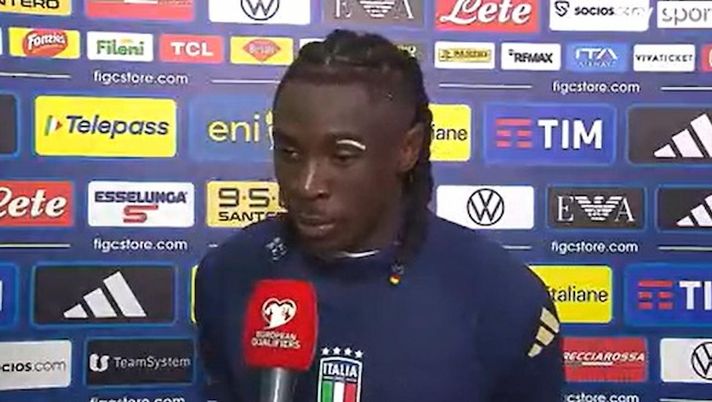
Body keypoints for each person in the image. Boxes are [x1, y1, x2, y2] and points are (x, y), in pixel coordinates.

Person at [194, 29, 564, 402]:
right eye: (289, 153)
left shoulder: (503, 298)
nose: (306, 185)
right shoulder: (228, 274)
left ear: (408, 149)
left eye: (342, 156)